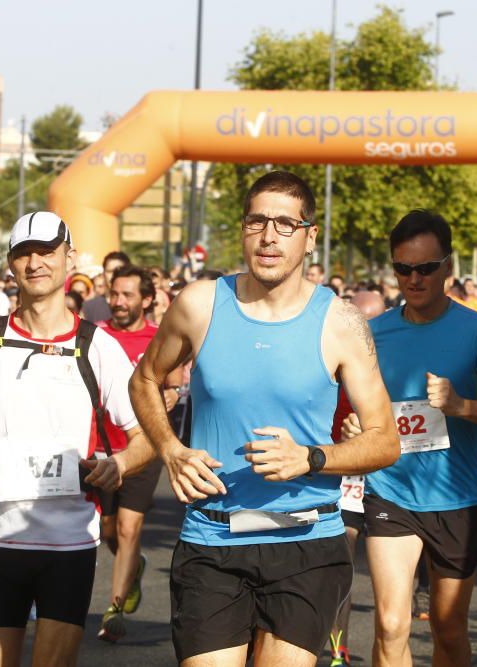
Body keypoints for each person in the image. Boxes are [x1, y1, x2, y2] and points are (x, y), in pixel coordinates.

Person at [130, 171, 399, 666]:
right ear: (242, 229)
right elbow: (145, 379)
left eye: (285, 224)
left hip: (306, 541)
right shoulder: (199, 304)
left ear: (309, 236)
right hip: (213, 537)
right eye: (258, 221)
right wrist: (170, 450)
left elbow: (385, 441)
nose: (270, 236)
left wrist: (311, 458)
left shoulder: (341, 322)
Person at [0, 211, 154, 666]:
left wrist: (117, 464)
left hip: (69, 541)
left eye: (47, 252)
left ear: (69, 258)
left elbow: (146, 436)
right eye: (24, 253)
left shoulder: (98, 347)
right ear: (11, 263)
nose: (35, 262)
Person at [340, 210, 477, 667]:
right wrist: (356, 428)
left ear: (447, 267)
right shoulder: (374, 333)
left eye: (426, 268)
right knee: (391, 625)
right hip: (391, 493)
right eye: (403, 268)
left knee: (448, 630)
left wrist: (462, 406)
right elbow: (355, 407)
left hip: (456, 499)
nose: (414, 278)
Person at [95, 265, 184, 642]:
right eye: (114, 294)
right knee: (107, 529)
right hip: (99, 447)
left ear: (146, 300)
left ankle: (113, 610)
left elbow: (175, 385)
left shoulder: (159, 338)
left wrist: (166, 397)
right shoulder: (96, 337)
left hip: (141, 446)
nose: (118, 302)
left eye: (127, 295)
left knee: (130, 527)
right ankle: (135, 567)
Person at [326, 289, 385, 666]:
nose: (365, 330)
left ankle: (390, 646)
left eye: (373, 322)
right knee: (343, 562)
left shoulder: (398, 359)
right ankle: (337, 647)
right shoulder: (330, 353)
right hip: (343, 474)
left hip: (391, 478)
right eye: (359, 321)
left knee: (388, 574)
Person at [82, 251, 130, 322]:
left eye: (118, 270)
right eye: (110, 271)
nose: (114, 275)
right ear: (103, 274)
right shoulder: (88, 307)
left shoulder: (137, 305)